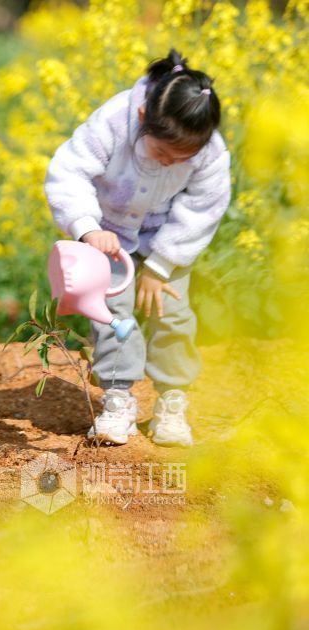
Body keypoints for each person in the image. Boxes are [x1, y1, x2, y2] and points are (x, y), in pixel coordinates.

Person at [45, 49, 231, 447]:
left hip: (170, 240)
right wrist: (87, 228)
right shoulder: (114, 120)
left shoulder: (210, 149)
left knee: (173, 313)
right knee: (113, 313)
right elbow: (68, 171)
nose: (169, 164)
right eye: (161, 153)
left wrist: (161, 266)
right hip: (107, 234)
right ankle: (118, 400)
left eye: (181, 159)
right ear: (144, 118)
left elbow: (204, 207)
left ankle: (172, 402)